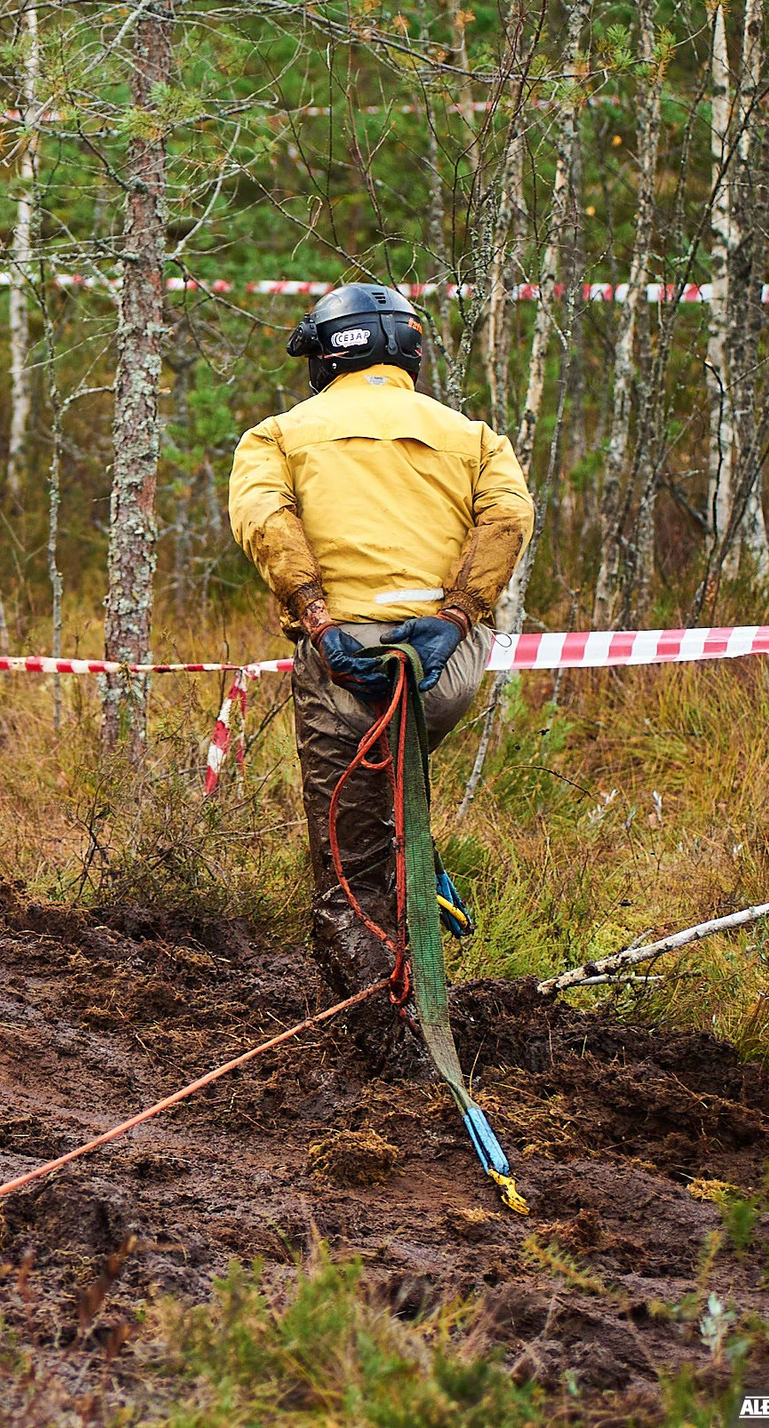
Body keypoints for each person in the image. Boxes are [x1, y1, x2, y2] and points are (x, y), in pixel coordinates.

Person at [227, 284, 533, 1067]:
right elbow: (508, 518)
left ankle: (386, 1040)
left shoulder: (277, 435)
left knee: (347, 864)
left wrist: (320, 620)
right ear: (408, 351)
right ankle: (417, 880)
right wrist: (455, 618)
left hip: (348, 667)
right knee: (395, 786)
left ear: (328, 353)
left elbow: (264, 519)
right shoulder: (473, 436)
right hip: (443, 666)